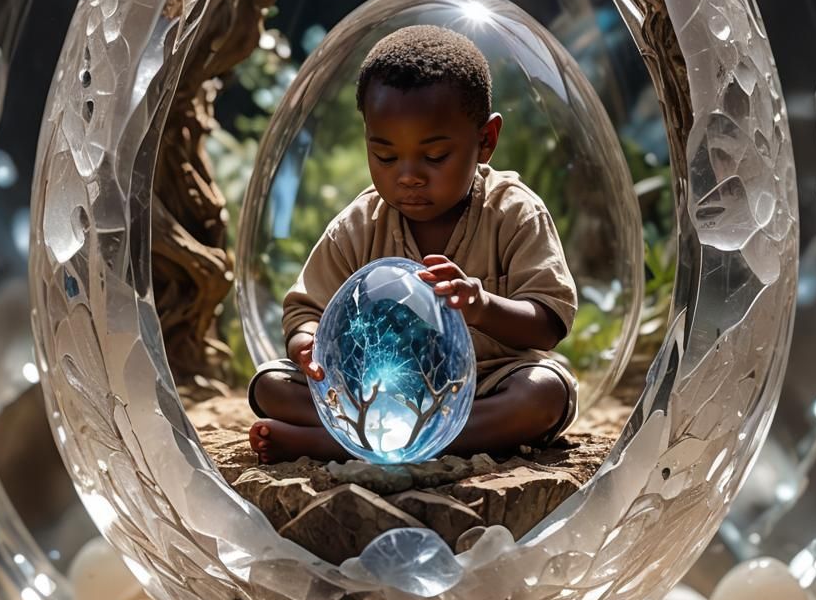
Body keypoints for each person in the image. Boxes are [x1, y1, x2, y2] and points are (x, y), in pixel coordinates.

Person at [248, 24, 579, 464]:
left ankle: (339, 443)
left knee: (542, 394)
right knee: (271, 385)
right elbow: (305, 311)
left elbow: (548, 324)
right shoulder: (359, 224)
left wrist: (482, 306)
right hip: (377, 390)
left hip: (487, 384)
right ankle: (407, 439)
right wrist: (306, 345)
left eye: (434, 156)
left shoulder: (514, 212)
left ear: (485, 141)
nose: (408, 176)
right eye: (385, 156)